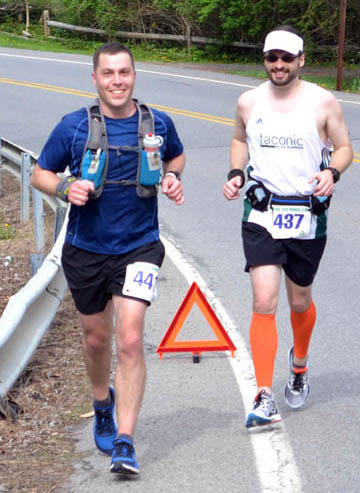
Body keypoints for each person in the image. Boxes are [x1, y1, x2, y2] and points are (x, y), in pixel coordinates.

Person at [31, 42, 185, 474]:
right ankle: (102, 402)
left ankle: (124, 440)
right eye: (108, 74)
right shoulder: (74, 127)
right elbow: (40, 171)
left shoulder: (157, 122)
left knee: (131, 338)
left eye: (124, 73)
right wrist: (65, 188)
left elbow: (176, 155)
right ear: (94, 79)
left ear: (134, 76)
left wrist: (172, 179)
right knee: (97, 339)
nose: (117, 81)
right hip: (86, 250)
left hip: (140, 246)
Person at [223, 25, 353, 429]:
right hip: (262, 214)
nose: (278, 65)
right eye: (271, 58)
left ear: (300, 60)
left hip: (307, 216)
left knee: (299, 302)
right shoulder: (248, 101)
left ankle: (299, 365)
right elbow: (239, 139)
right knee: (264, 300)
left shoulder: (323, 102)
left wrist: (332, 171)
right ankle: (263, 396)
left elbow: (346, 148)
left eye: (286, 58)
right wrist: (236, 172)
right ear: (265, 60)